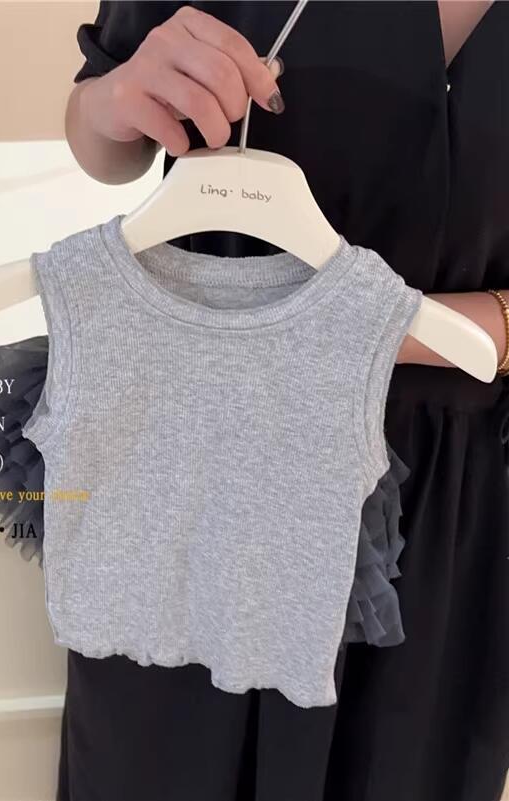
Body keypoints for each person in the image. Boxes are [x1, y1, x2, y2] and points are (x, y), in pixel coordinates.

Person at [58, 3, 509, 801]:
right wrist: (115, 99)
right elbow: (103, 130)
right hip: (203, 465)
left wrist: (353, 327)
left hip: (460, 507)